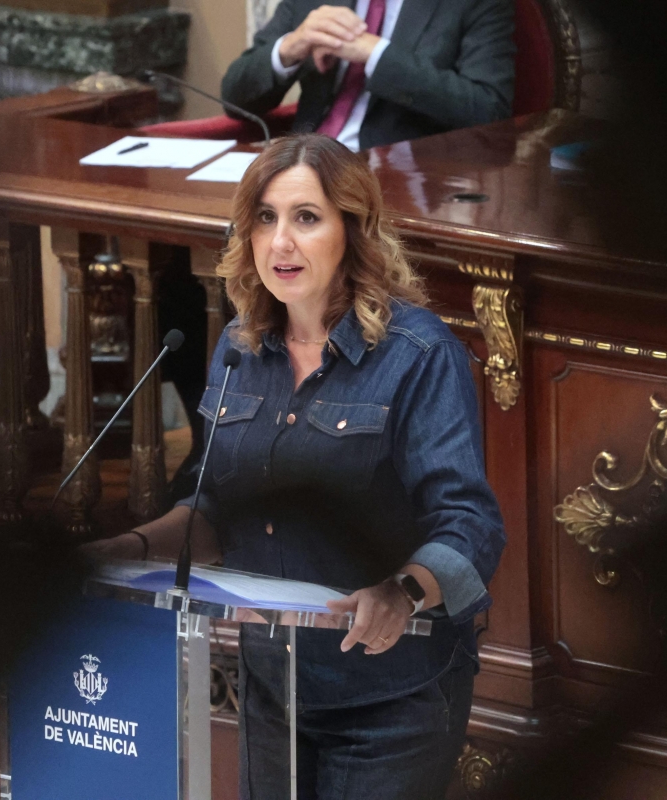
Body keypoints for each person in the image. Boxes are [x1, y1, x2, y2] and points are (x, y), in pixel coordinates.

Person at [80, 134, 505, 800]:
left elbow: (470, 524)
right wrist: (128, 549)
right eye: (265, 218)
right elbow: (217, 507)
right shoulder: (238, 349)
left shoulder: (419, 355)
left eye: (306, 217)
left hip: (390, 698)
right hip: (274, 688)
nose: (281, 241)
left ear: (353, 231)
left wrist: (403, 590)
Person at [221, 0, 516, 151]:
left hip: (394, 186)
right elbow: (233, 97)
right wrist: (291, 46)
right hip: (296, 169)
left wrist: (378, 55)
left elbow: (489, 109)